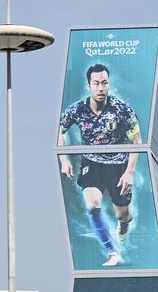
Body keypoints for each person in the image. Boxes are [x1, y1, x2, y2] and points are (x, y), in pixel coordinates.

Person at [59, 63, 143, 267]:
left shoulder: (121, 110)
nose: (100, 88)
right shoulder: (77, 109)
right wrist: (64, 159)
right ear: (89, 85)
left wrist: (129, 173)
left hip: (118, 166)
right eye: (96, 83)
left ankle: (124, 224)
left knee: (121, 214)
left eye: (104, 83)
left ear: (108, 85)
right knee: (92, 204)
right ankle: (112, 252)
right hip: (92, 163)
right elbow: (60, 130)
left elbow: (137, 141)